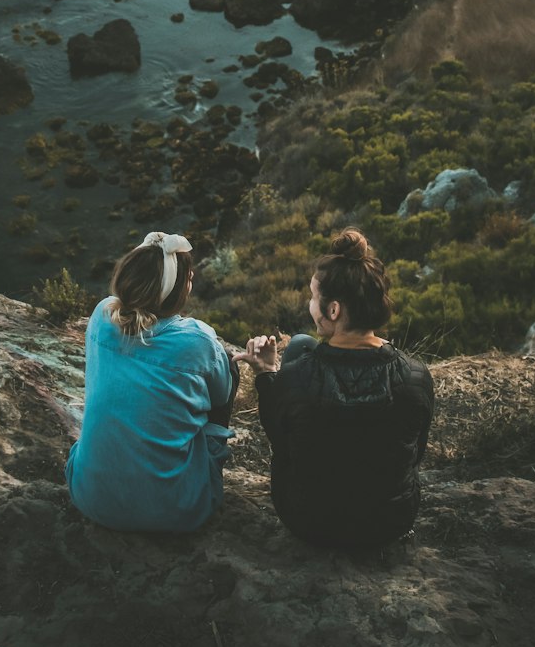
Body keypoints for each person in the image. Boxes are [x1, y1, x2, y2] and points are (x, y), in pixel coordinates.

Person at [238, 228, 434, 550]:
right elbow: (415, 456)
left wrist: (266, 373)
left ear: (333, 310)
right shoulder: (415, 376)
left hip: (310, 521)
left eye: (314, 297)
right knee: (303, 344)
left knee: (301, 347)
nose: (309, 304)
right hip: (390, 522)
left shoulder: (296, 378)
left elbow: (281, 442)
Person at [65, 231, 236, 533]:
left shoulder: (101, 314)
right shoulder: (197, 341)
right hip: (176, 512)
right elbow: (220, 395)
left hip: (90, 497)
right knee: (228, 374)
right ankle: (206, 462)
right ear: (178, 290)